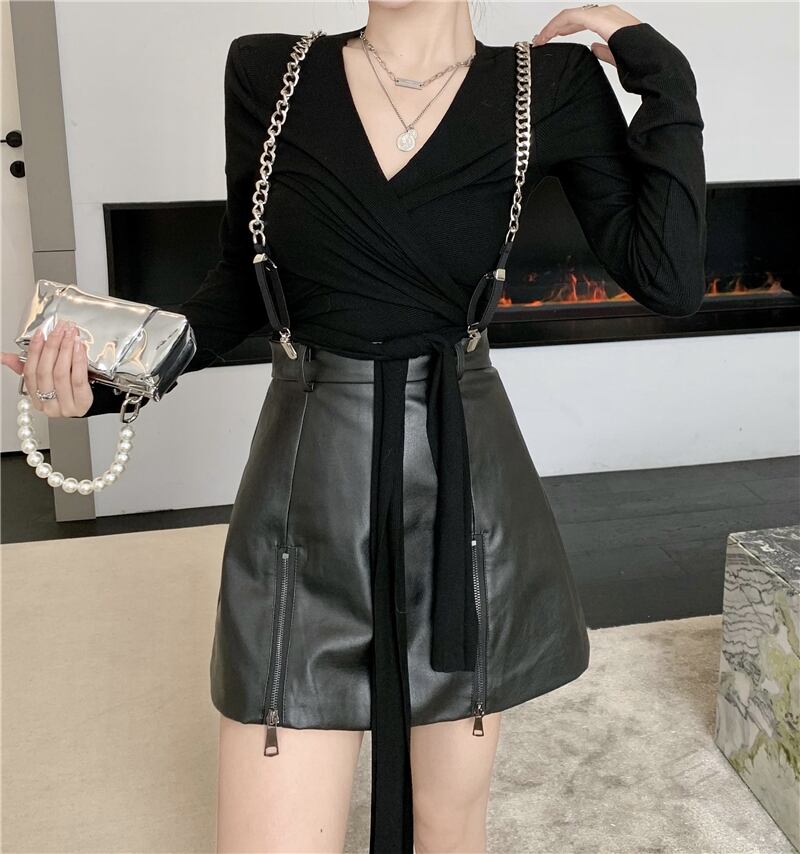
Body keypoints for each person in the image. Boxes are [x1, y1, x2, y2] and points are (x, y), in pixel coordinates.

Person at [2, 2, 707, 851]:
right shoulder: (270, 72)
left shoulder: (546, 86)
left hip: (461, 504)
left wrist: (660, 69)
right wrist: (105, 384)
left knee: (446, 829)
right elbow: (241, 285)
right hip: (306, 503)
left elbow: (669, 277)